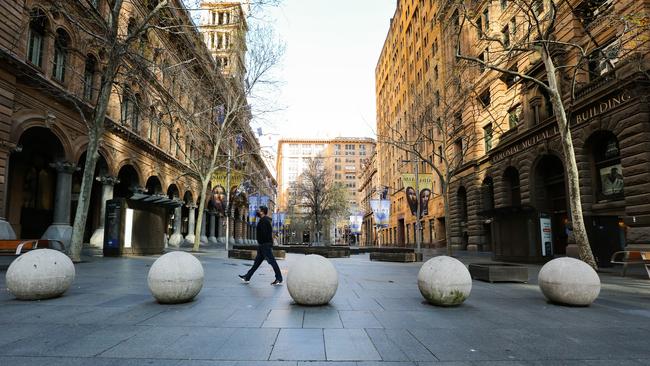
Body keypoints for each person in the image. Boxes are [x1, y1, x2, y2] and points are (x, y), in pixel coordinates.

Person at [239, 205, 283, 285]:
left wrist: (264, 244)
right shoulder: (264, 220)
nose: (257, 212)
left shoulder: (264, 221)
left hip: (265, 245)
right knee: (257, 263)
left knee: (272, 262)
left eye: (259, 210)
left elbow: (265, 234)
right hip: (263, 245)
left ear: (262, 212)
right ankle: (247, 277)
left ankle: (279, 278)